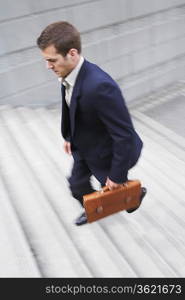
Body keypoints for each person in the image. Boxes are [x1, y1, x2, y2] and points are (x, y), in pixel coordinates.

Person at [37, 21, 147, 226]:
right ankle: (94, 209)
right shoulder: (68, 73)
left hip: (108, 152)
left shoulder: (100, 86)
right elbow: (73, 109)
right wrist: (70, 136)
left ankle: (134, 196)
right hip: (85, 146)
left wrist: (117, 175)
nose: (48, 66)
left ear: (72, 53)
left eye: (52, 60)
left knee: (114, 186)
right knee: (77, 186)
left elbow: (123, 134)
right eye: (46, 60)